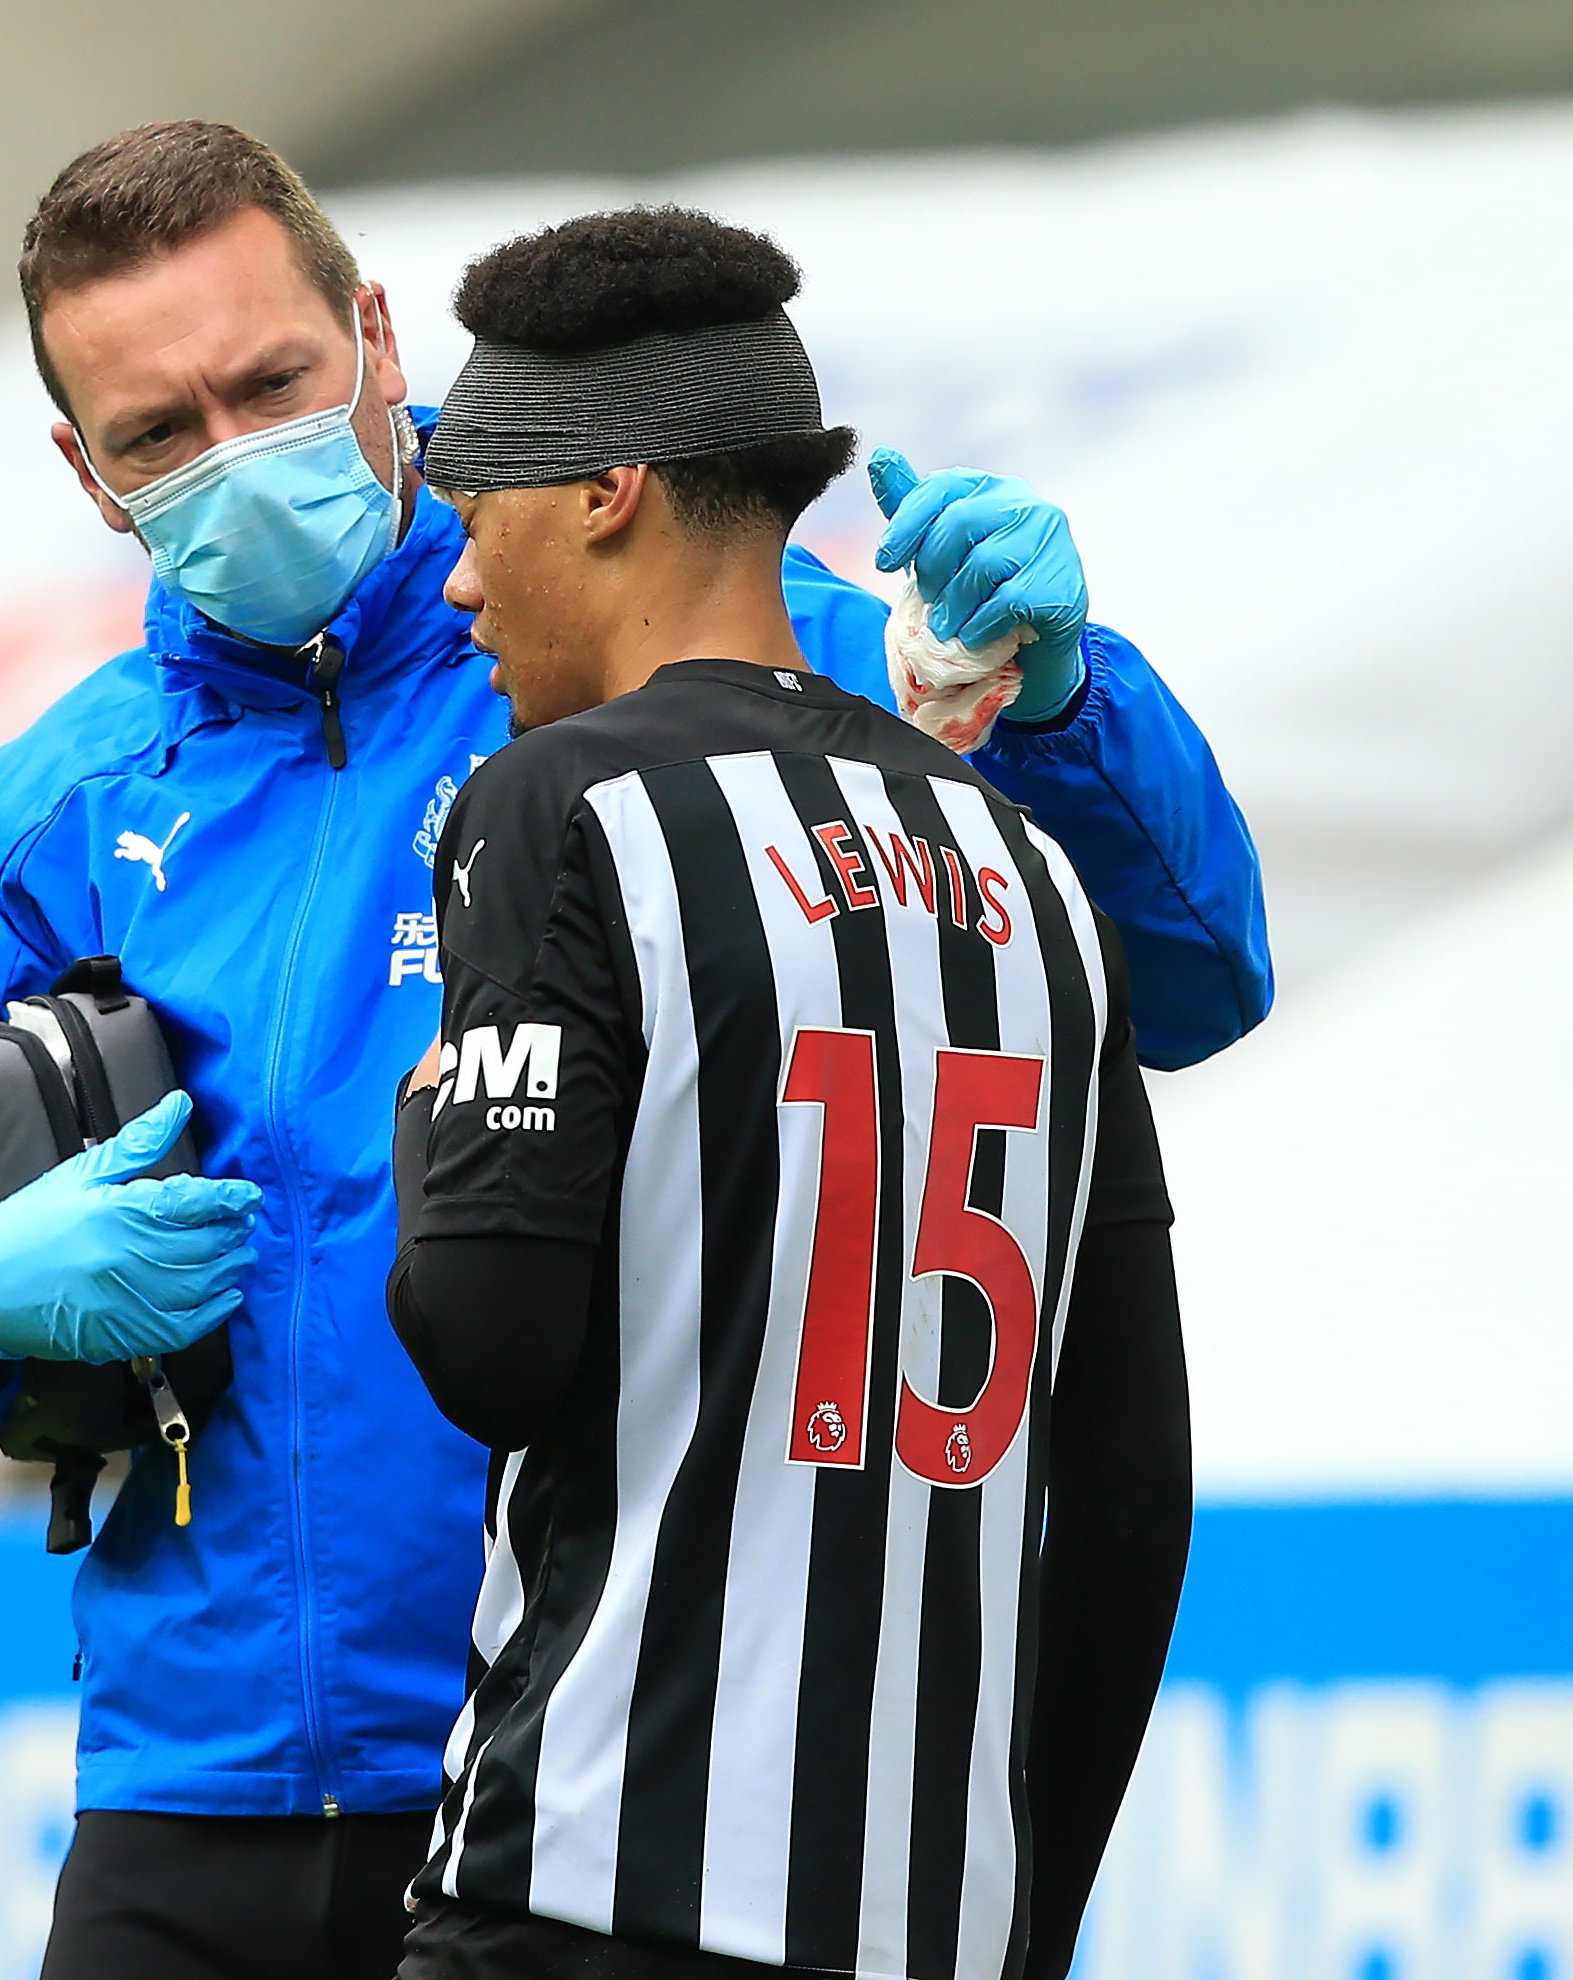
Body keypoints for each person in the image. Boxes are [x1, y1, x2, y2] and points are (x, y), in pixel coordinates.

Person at [0, 122, 1248, 1980]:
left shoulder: (714, 651)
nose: (235, 457)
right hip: (193, 1793)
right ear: (88, 474)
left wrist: (1061, 708)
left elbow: (1184, 982)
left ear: (380, 345)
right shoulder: (39, 815)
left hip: (592, 1794)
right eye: (162, 435)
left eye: (273, 384)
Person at [383, 207, 1190, 1980]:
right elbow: (1133, 1486)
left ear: (603, 491)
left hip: (590, 1889)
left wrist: (433, 1112)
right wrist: (1016, 1914)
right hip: (924, 1925)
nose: (456, 589)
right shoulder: (1030, 863)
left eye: (475, 515)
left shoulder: (557, 806)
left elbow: (488, 1343)